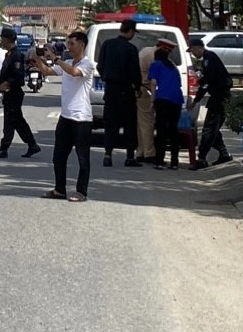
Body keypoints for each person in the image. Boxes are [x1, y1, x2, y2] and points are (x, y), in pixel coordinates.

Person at [30, 31, 95, 202]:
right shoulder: (66, 62)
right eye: (68, 43)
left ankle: (81, 192)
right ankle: (60, 189)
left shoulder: (88, 64)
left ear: (82, 44)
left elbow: (74, 72)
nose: (69, 47)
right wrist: (37, 59)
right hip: (66, 117)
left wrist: (55, 58)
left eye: (72, 44)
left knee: (82, 158)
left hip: (81, 118)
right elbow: (47, 71)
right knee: (58, 156)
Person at [97, 19, 143, 167]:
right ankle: (130, 156)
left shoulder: (107, 45)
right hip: (126, 90)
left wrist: (106, 78)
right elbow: (135, 72)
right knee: (129, 124)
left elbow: (100, 66)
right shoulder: (131, 49)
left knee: (110, 123)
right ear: (129, 31)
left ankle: (107, 155)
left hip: (110, 89)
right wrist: (137, 88)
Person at [0, 27, 41, 159]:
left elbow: (18, 77)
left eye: (2, 38)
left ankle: (3, 148)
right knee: (18, 121)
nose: (1, 41)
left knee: (9, 122)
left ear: (7, 39)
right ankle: (32, 145)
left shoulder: (16, 55)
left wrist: (7, 83)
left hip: (14, 93)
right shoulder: (9, 54)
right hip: (9, 93)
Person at [187, 38, 233, 170]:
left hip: (220, 98)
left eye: (193, 51)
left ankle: (201, 159)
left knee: (209, 129)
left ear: (197, 47)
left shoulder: (208, 59)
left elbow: (207, 82)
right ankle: (223, 154)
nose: (193, 54)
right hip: (219, 97)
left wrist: (196, 100)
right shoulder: (209, 58)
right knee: (214, 129)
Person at [148, 43, 184, 170]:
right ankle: (174, 162)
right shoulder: (174, 68)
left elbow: (153, 83)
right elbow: (178, 85)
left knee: (161, 130)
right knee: (173, 130)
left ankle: (159, 161)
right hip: (177, 100)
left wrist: (152, 101)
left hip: (163, 99)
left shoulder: (155, 65)